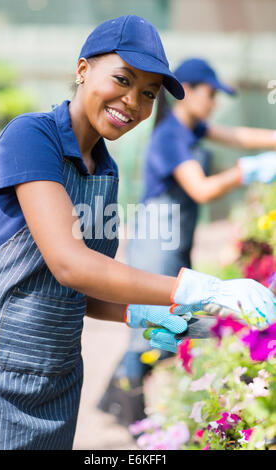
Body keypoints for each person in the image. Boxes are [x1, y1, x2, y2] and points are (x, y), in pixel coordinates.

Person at [0, 16, 275, 450]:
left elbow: (81, 289)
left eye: (148, 93)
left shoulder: (106, 170)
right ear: (82, 70)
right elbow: (69, 263)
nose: (133, 101)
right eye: (122, 79)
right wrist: (203, 289)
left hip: (58, 377)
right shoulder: (30, 137)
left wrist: (136, 313)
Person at [98, 57, 276, 427]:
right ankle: (125, 405)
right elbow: (202, 188)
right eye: (210, 93)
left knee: (166, 321)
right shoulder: (170, 135)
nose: (214, 102)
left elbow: (240, 136)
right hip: (156, 238)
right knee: (151, 324)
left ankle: (120, 403)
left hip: (174, 235)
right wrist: (246, 171)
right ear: (188, 92)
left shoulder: (192, 128)